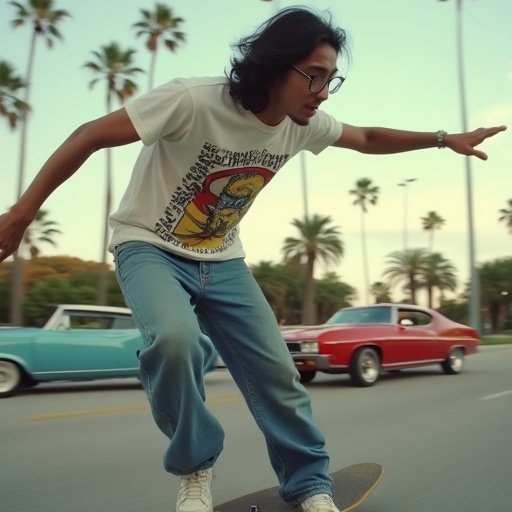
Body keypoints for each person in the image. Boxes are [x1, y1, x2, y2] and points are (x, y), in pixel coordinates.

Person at [0, 6, 506, 512]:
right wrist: (22, 213)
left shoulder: (301, 125)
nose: (323, 92)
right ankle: (195, 468)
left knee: (278, 375)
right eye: (314, 76)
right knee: (175, 341)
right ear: (274, 64)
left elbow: (367, 138)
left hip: (223, 260)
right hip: (147, 246)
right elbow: (90, 134)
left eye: (332, 79)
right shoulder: (192, 100)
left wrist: (443, 139)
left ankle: (309, 485)